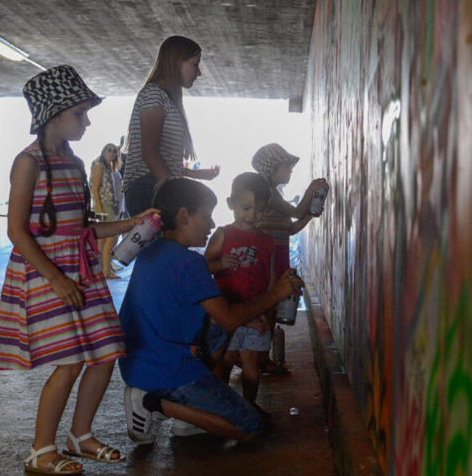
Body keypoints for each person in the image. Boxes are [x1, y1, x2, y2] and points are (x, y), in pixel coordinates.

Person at [0, 65, 159, 475]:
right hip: (47, 273)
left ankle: (79, 435)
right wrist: (57, 278)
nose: (87, 122)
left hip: (80, 269)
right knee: (71, 361)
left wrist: (132, 223)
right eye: (80, 113)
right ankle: (40, 450)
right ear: (52, 114)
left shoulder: (76, 163)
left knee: (106, 350)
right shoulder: (28, 163)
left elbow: (82, 228)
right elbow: (16, 231)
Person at [118, 177, 302, 445]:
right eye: (207, 216)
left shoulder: (153, 250)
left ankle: (185, 414)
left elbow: (215, 315)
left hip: (137, 363)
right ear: (184, 215)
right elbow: (228, 318)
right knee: (251, 425)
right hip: (165, 371)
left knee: (222, 327)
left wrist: (243, 318)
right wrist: (276, 294)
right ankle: (153, 404)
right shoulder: (189, 262)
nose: (212, 224)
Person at [122, 35, 220, 217]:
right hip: (148, 189)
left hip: (154, 186)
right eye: (195, 64)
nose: (199, 72)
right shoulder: (154, 94)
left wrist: (196, 174)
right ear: (177, 62)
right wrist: (177, 192)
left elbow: (163, 160)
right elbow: (150, 154)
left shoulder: (164, 97)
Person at [251, 143, 329, 372]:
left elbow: (291, 228)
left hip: (279, 255)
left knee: (272, 307)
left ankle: (262, 357)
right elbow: (295, 212)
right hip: (271, 259)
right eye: (286, 166)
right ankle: (260, 358)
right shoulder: (267, 192)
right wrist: (311, 189)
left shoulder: (275, 193)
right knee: (268, 307)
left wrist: (311, 216)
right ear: (272, 169)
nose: (291, 170)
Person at [204, 172, 275, 418]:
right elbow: (202, 267)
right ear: (230, 204)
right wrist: (220, 264)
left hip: (256, 312)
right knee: (224, 360)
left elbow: (271, 279)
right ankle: (223, 408)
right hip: (228, 312)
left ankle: (249, 406)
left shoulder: (268, 241)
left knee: (251, 363)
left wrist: (267, 311)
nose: (252, 216)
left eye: (259, 210)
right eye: (246, 208)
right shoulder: (223, 234)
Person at [90, 142, 124, 278]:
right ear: (103, 151)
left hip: (107, 205)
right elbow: (95, 189)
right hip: (103, 206)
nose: (112, 153)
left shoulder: (107, 168)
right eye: (109, 150)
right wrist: (100, 208)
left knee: (103, 240)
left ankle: (103, 269)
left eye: (114, 151)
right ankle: (105, 270)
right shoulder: (99, 166)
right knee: (112, 236)